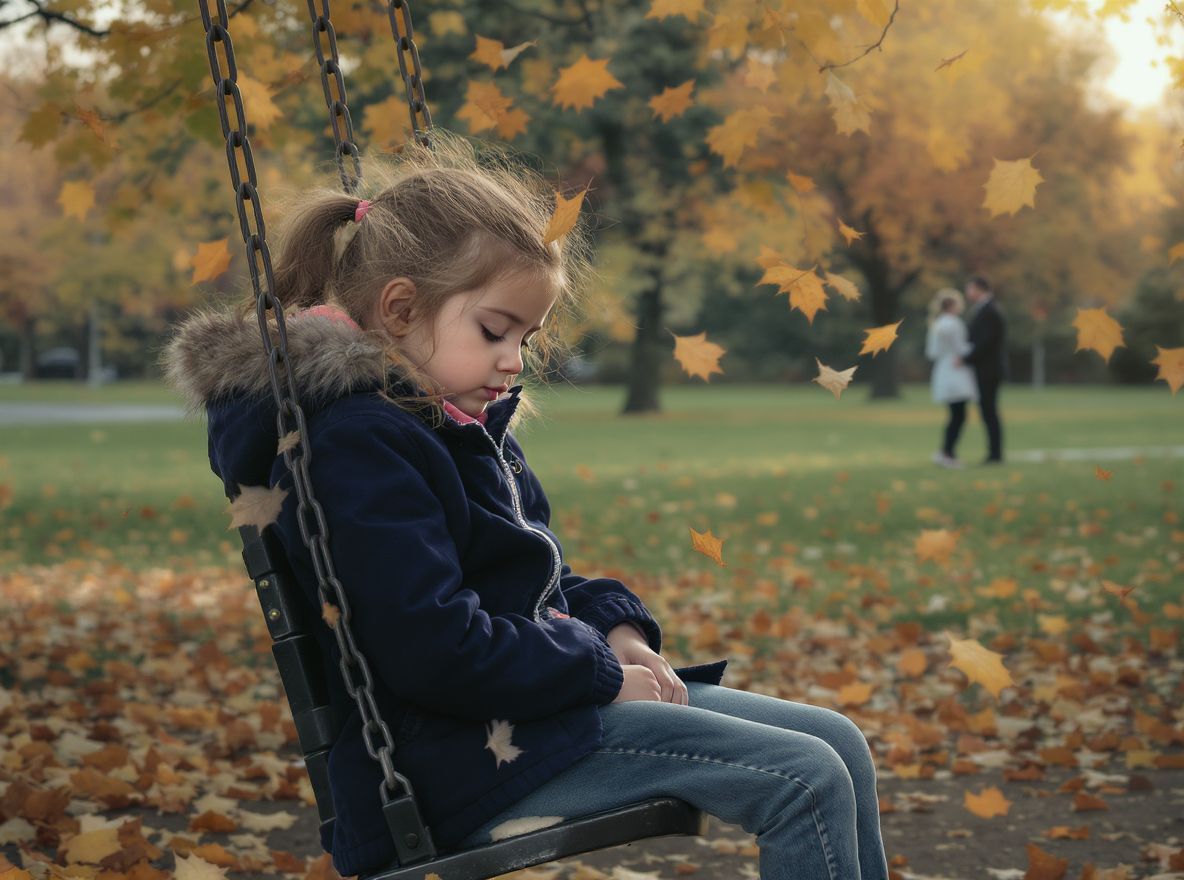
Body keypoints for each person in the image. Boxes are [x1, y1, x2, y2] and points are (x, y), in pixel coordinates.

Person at [163, 133, 889, 880]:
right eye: (494, 331)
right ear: (402, 309)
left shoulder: (452, 419)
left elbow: (533, 580)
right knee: (806, 778)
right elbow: (434, 648)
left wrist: (619, 634)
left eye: (528, 338)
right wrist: (598, 675)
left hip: (515, 723)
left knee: (838, 744)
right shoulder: (359, 444)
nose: (515, 361)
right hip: (451, 765)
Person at [924, 288, 978, 468]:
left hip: (943, 370)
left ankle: (946, 451)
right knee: (958, 415)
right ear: (953, 305)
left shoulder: (937, 323)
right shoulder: (953, 324)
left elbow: (932, 352)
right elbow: (961, 348)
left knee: (955, 414)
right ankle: (948, 453)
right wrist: (976, 350)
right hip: (956, 370)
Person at [960, 275, 1007, 464]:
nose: (967, 293)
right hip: (985, 369)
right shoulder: (985, 309)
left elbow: (985, 342)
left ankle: (995, 454)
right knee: (987, 410)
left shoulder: (990, 310)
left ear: (979, 289)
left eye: (970, 289)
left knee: (989, 410)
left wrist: (965, 358)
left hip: (989, 370)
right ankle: (994, 452)